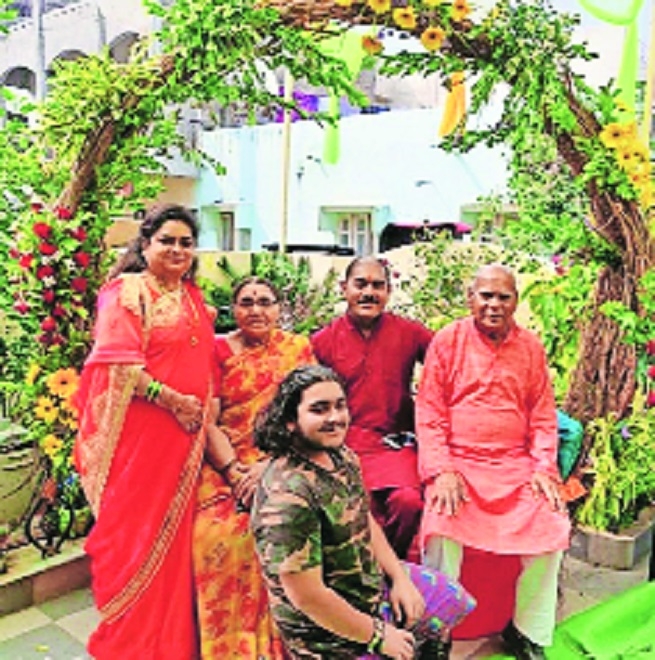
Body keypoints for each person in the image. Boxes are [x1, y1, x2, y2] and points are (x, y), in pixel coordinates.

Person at [250, 365, 476, 660]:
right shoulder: (288, 498)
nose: (335, 418)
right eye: (319, 410)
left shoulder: (340, 456)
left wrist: (399, 579)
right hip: (325, 633)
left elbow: (362, 518)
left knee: (446, 601)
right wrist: (379, 637)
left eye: (340, 406)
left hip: (367, 590)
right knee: (403, 645)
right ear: (290, 421)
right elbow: (308, 597)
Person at [74, 204, 216, 659]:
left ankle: (175, 643)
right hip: (143, 440)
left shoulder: (193, 296)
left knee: (177, 544)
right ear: (145, 243)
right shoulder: (127, 292)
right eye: (167, 240)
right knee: (135, 538)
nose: (177, 250)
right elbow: (118, 363)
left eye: (186, 242)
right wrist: (174, 401)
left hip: (186, 441)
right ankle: (133, 644)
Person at [416, 264, 571, 660]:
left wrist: (542, 469)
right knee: (442, 522)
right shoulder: (448, 341)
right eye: (486, 295)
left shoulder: (530, 347)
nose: (494, 304)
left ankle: (527, 631)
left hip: (514, 465)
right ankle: (436, 631)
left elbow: (542, 416)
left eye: (503, 296)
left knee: (551, 522)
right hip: (459, 464)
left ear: (516, 301)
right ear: (471, 299)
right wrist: (442, 469)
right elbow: (430, 411)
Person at [193, 276, 315, 658]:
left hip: (284, 459)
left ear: (280, 309)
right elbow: (208, 421)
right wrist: (233, 471)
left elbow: (310, 413)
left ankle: (280, 647)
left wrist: (270, 466)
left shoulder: (297, 349)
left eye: (265, 301)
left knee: (278, 526)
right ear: (234, 310)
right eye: (247, 302)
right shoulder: (215, 350)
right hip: (225, 462)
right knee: (218, 534)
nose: (256, 310)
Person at [311, 256, 433, 559]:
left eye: (378, 285)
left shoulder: (410, 333)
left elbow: (450, 364)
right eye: (360, 284)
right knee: (353, 508)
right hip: (343, 447)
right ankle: (365, 578)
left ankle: (394, 569)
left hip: (395, 444)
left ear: (389, 292)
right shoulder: (322, 342)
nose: (369, 293)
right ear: (344, 289)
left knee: (408, 503)